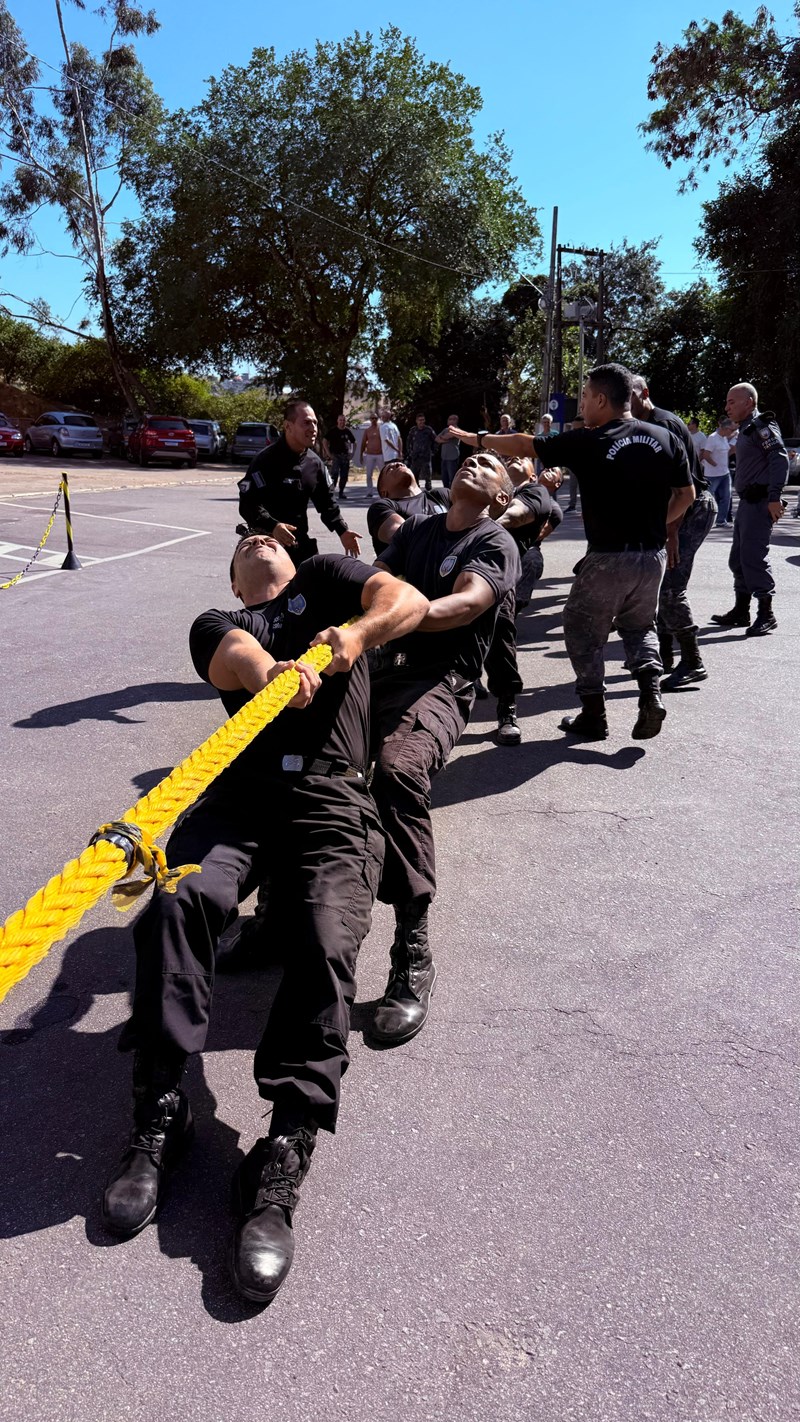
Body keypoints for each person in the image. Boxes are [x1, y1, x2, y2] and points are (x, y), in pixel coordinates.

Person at [100, 533, 428, 1306]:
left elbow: (404, 601)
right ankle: (163, 1109)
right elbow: (235, 654)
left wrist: (351, 636)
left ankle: (283, 1150)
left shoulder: (327, 579)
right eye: (245, 544)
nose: (259, 538)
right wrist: (276, 674)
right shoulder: (219, 621)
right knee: (177, 902)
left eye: (271, 537)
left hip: (332, 797)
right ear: (236, 581)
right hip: (239, 798)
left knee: (326, 935)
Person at [448, 364, 695, 740]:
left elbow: (524, 444)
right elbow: (686, 496)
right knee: (639, 625)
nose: (582, 404)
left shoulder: (590, 440)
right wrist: (654, 529)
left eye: (584, 397)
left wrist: (478, 439)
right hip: (651, 557)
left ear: (600, 399)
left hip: (608, 557)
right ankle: (651, 694)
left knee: (581, 629)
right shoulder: (665, 437)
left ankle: (593, 713)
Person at [367, 452, 521, 1047]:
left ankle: (412, 947)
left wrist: (390, 618)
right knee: (305, 757)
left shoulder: (494, 542)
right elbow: (375, 576)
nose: (478, 460)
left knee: (395, 771)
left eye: (492, 465)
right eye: (473, 457)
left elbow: (466, 604)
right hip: (380, 666)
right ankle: (282, 911)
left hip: (441, 681)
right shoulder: (419, 532)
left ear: (501, 497)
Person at [630, 375, 717, 689]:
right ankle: (664, 655)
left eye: (631, 397)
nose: (626, 404)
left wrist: (671, 531)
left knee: (670, 588)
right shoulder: (645, 426)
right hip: (672, 513)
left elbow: (680, 488)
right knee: (660, 585)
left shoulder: (664, 425)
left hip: (689, 512)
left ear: (645, 394)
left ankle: (692, 661)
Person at [483, 458, 564, 745]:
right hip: (461, 565)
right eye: (509, 459)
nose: (515, 458)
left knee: (501, 629)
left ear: (532, 474)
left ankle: (507, 708)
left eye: (522, 458)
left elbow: (515, 518)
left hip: (499, 570)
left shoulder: (535, 493)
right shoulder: (485, 487)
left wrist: (474, 529)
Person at [238, 400, 361, 564]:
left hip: (298, 546)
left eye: (315, 423)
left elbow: (327, 504)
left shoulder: (315, 464)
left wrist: (343, 531)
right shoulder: (265, 461)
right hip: (266, 547)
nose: (313, 429)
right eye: (307, 423)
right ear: (288, 426)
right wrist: (273, 526)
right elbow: (247, 504)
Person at [711, 382, 788, 636]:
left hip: (760, 501)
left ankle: (766, 614)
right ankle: (740, 610)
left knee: (754, 557)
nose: (727, 407)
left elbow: (779, 458)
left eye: (732, 402)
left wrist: (775, 497)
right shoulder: (745, 429)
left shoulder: (761, 427)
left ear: (750, 403)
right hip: (747, 502)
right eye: (727, 401)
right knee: (739, 558)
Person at [367, 459, 450, 556]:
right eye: (390, 469)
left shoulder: (441, 495)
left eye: (403, 464)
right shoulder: (382, 508)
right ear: (383, 492)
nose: (399, 464)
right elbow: (404, 538)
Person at [701, 415, 736, 526]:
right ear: (725, 428)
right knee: (709, 499)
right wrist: (715, 464)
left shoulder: (724, 438)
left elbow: (727, 451)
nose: (731, 432)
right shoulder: (712, 438)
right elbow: (706, 455)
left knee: (726, 497)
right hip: (712, 475)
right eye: (731, 430)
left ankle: (721, 520)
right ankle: (706, 520)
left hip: (725, 474)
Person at [323, 414, 356, 500]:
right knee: (334, 475)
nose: (342, 422)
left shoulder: (347, 431)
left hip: (345, 456)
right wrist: (328, 453)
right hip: (335, 456)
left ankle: (341, 492)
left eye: (343, 420)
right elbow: (324, 441)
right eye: (340, 420)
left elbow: (354, 442)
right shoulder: (333, 431)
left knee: (344, 475)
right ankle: (331, 492)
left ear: (345, 421)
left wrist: (352, 453)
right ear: (337, 421)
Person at [406, 413, 438, 492]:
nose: (421, 422)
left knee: (428, 477)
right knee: (414, 476)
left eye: (423, 420)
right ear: (416, 421)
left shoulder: (428, 430)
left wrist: (433, 451)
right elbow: (408, 442)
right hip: (415, 457)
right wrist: (410, 452)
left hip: (426, 456)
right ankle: (416, 492)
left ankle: (429, 492)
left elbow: (436, 440)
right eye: (420, 420)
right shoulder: (413, 430)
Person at [361, 412, 385, 496]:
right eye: (372, 418)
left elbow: (385, 441)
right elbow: (363, 442)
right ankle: (369, 492)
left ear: (378, 419)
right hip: (370, 455)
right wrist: (361, 454)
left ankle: (383, 491)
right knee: (368, 475)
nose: (374, 420)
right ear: (370, 420)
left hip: (380, 454)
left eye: (375, 418)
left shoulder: (381, 429)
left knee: (383, 474)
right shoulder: (367, 430)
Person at [435, 415, 461, 488]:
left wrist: (443, 439)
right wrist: (446, 440)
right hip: (444, 457)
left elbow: (447, 436)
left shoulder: (457, 430)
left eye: (452, 419)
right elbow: (437, 439)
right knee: (444, 478)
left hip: (452, 457)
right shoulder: (445, 430)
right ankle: (446, 493)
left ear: (455, 420)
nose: (450, 421)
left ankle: (452, 494)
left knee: (452, 477)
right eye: (449, 419)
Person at [563, 415, 583, 507]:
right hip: (573, 465)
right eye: (574, 429)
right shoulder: (571, 436)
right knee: (572, 485)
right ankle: (572, 504)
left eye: (578, 429)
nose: (576, 431)